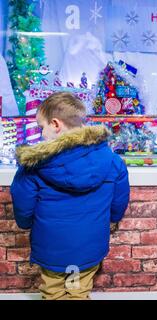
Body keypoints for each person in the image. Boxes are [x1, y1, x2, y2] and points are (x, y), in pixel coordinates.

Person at [11, 92, 130, 300]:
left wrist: (25, 223)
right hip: (89, 247)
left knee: (54, 292)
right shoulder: (113, 161)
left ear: (55, 124)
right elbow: (119, 202)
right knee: (78, 292)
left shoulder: (33, 166)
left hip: (51, 248)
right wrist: (113, 219)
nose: (41, 134)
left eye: (41, 127)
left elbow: (22, 205)